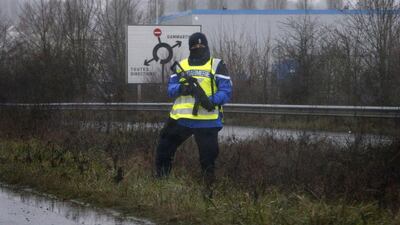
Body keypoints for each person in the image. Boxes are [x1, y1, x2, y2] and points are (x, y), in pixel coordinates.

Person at [155, 32, 232, 186]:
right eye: (194, 46)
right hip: (181, 120)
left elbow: (226, 91)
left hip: (207, 122)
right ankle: (161, 186)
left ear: (207, 46)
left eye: (201, 45)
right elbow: (170, 90)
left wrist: (211, 101)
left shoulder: (217, 65)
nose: (198, 47)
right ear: (190, 48)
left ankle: (207, 193)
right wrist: (182, 88)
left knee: (208, 162)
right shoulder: (182, 65)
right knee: (163, 151)